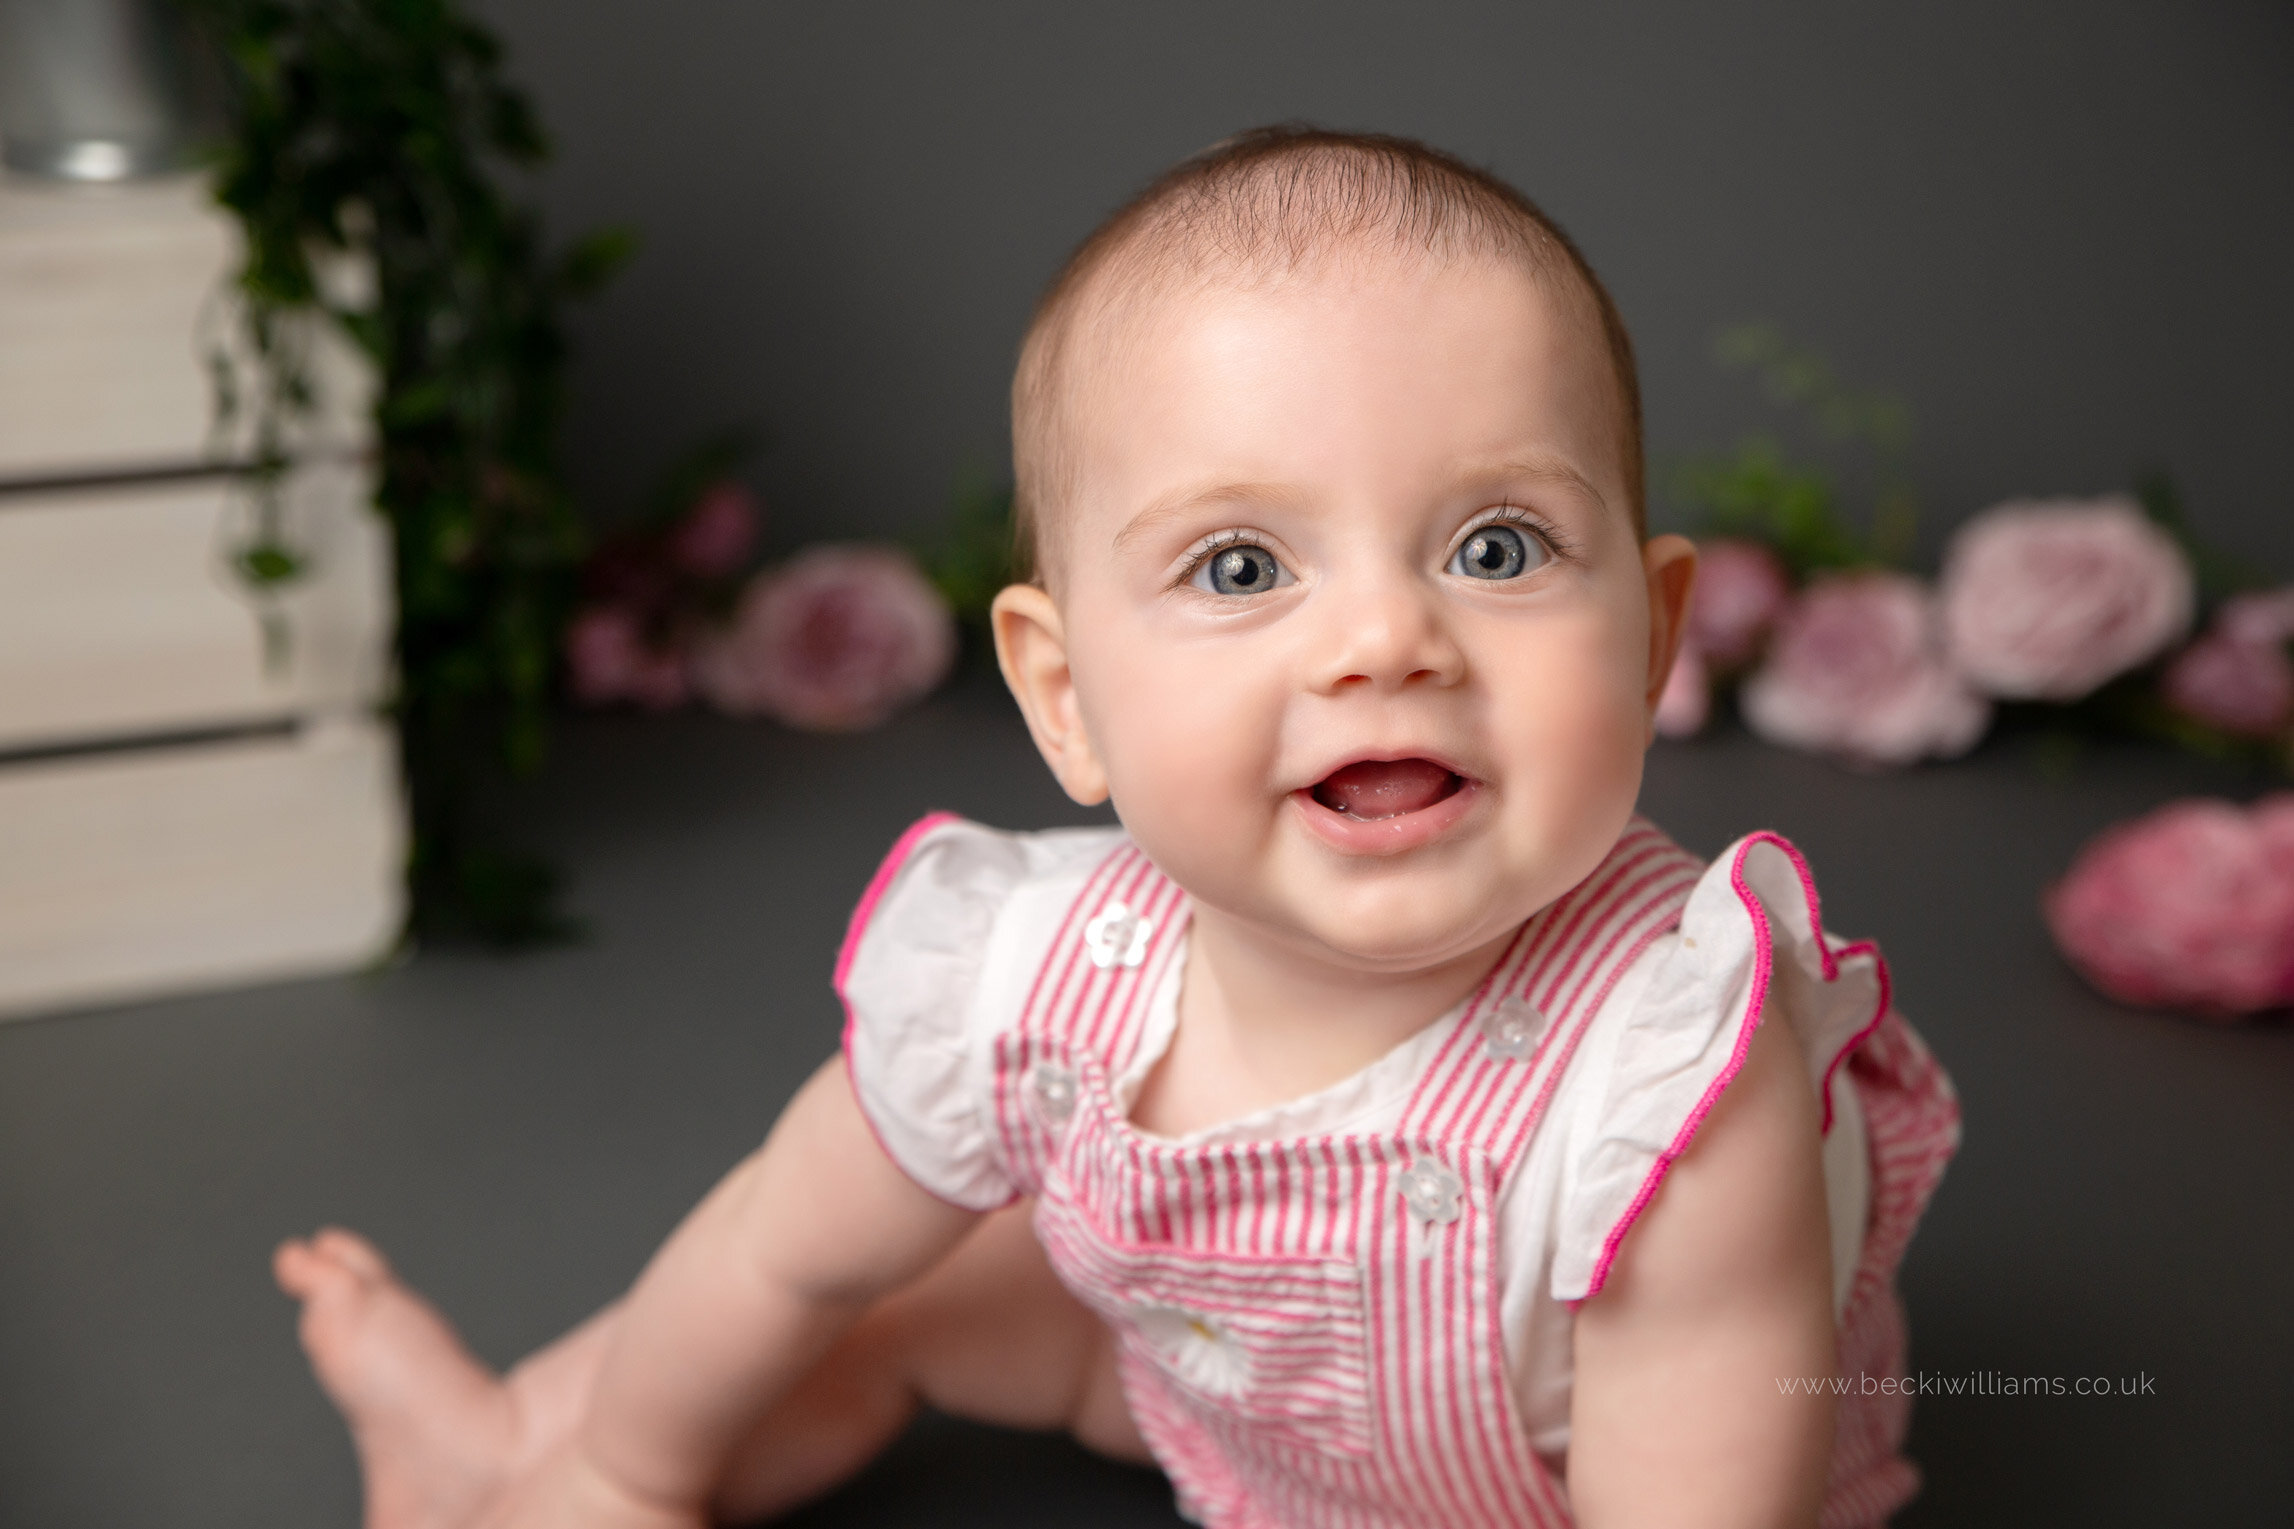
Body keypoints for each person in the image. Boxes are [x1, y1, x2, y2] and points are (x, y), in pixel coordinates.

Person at [276, 126, 1958, 1529]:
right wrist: (622, 1480)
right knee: (864, 1306)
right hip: (1207, 1389)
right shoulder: (1033, 978)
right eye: (1241, 568)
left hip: (1573, 1487)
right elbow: (776, 1248)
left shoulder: (1669, 1076)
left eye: (1499, 546)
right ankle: (509, 1454)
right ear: (1064, 694)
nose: (1385, 637)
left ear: (1654, 639)